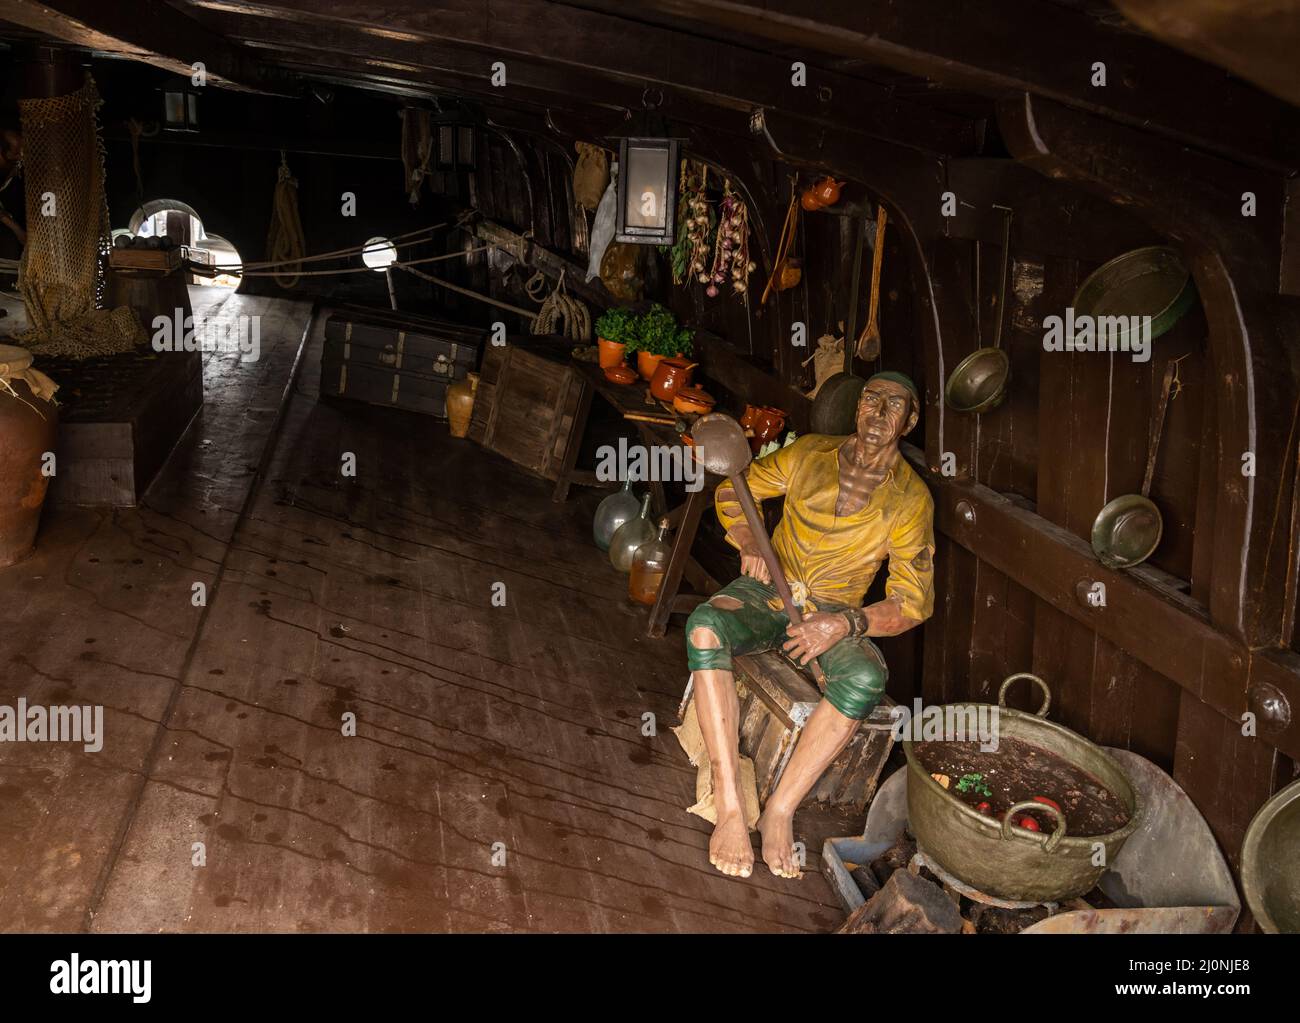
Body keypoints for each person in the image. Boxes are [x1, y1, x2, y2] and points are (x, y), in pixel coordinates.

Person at [686, 371, 935, 879]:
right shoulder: (810, 453)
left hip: (830, 615)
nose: (878, 412)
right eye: (870, 399)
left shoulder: (911, 500)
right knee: (705, 626)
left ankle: (779, 810)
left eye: (894, 405)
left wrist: (843, 624)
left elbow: (913, 602)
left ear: (909, 421)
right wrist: (750, 541)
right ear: (857, 407)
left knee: (865, 680)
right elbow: (737, 489)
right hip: (768, 592)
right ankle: (731, 803)